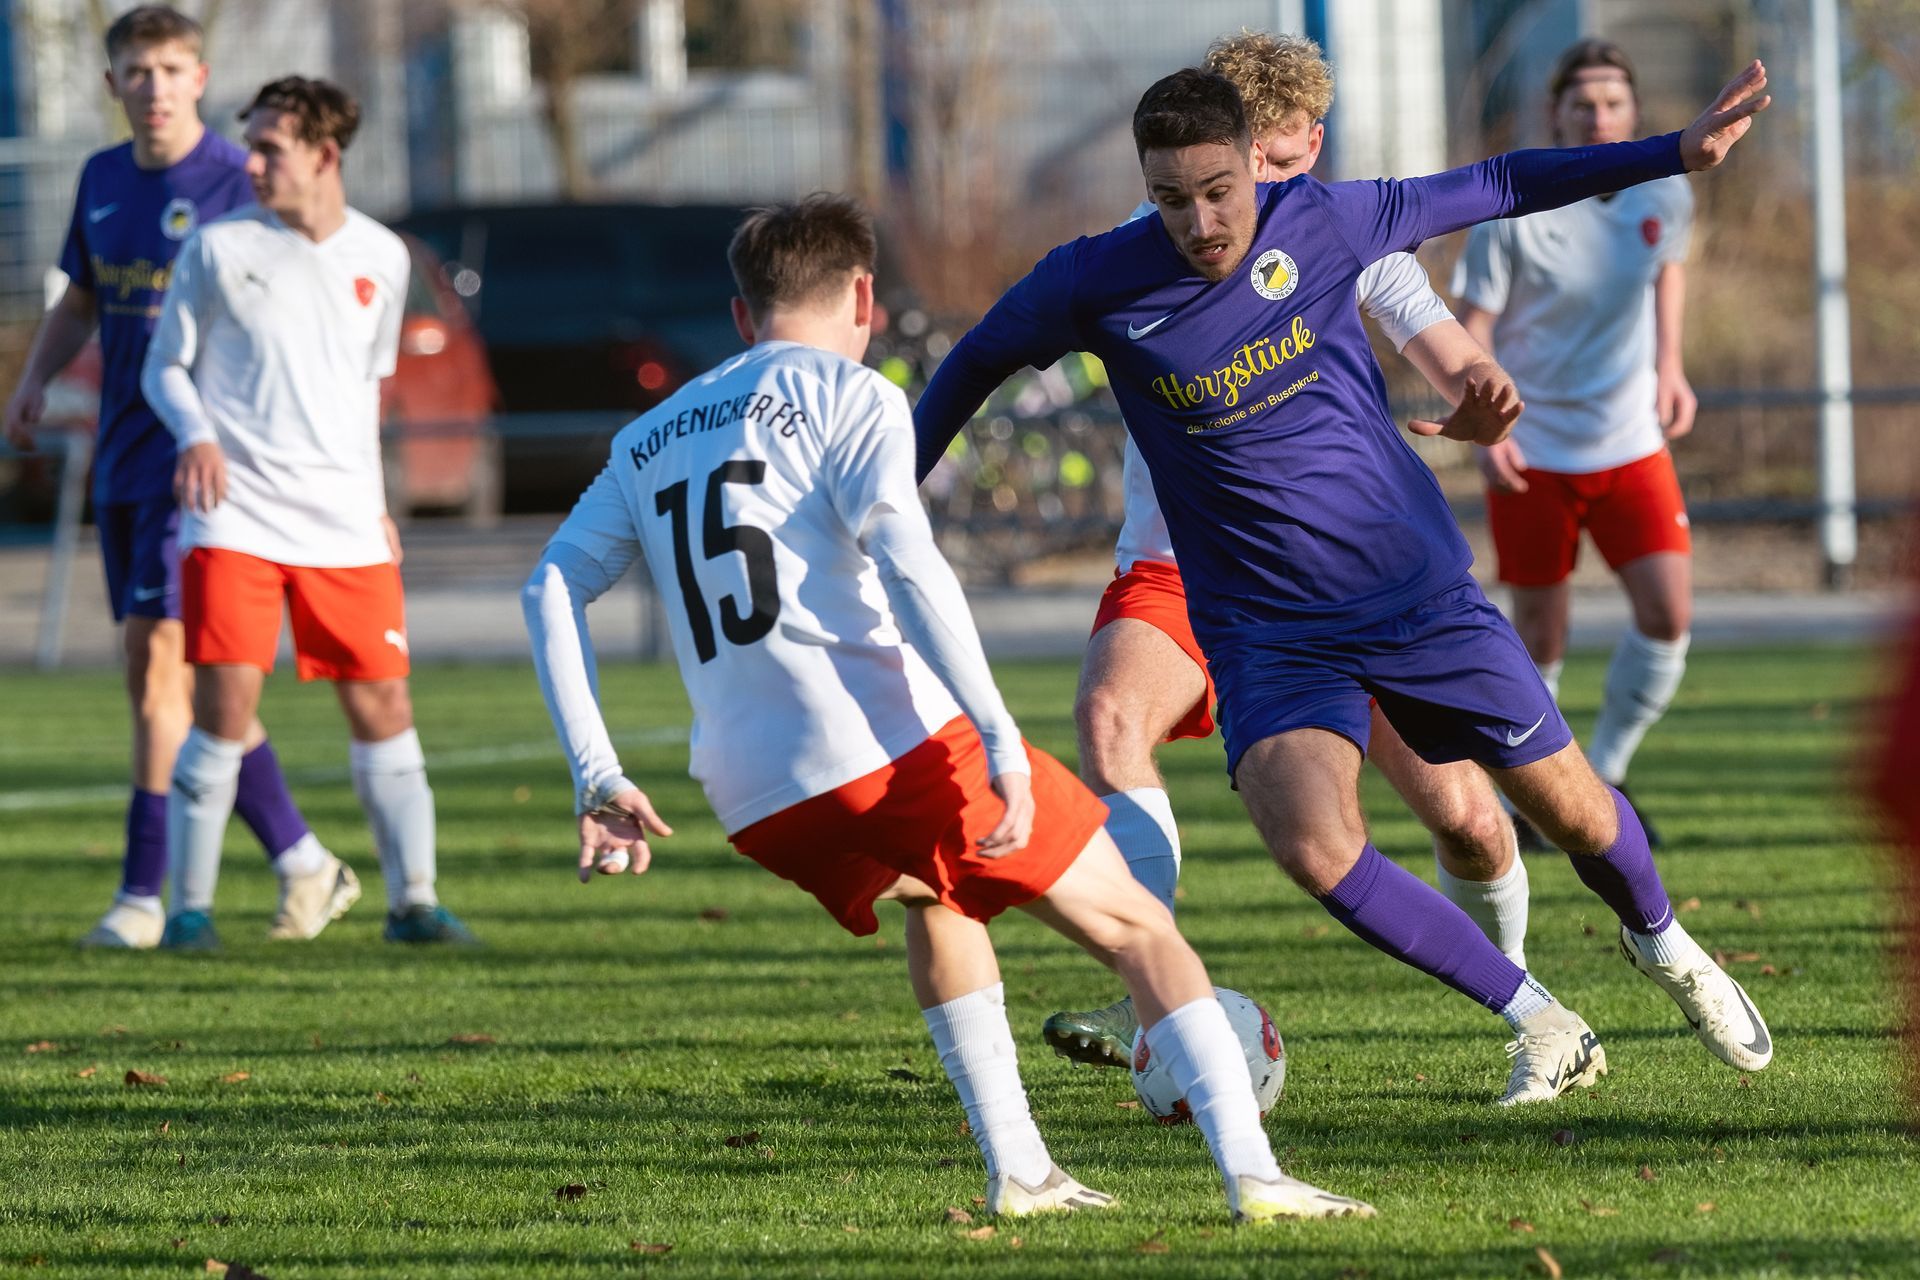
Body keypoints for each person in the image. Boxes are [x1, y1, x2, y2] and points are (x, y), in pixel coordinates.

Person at [915, 65, 1777, 1105]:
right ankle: (1537, 1013)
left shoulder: (1326, 221)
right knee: (1314, 844)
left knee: (1574, 816)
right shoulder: (1095, 279)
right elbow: (973, 363)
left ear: (1255, 165)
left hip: (1413, 596)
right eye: (1171, 199)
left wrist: (1672, 152)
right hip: (1265, 631)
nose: (1200, 222)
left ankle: (1664, 941)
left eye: (1218, 192)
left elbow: (1501, 181)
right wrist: (885, 492)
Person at [521, 194, 1372, 1222]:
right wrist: (999, 735)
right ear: (864, 299)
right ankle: (1257, 1177)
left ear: (743, 315)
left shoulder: (649, 434)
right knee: (1143, 927)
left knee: (940, 896)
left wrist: (598, 772)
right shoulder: (852, 394)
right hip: (889, 751)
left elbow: (551, 585)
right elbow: (909, 561)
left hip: (753, 794)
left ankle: (1022, 1171)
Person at [1040, 30, 1534, 1070]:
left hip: (1339, 573)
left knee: (1467, 820)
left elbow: (1448, 349)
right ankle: (1152, 989)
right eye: (1236, 162)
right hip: (1182, 565)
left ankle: (1523, 1002)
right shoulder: (1147, 245)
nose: (1243, 193)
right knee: (1110, 711)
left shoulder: (1346, 232)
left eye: (1276, 158)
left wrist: (1482, 395)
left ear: (1311, 146)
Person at [1, 6, 336, 949]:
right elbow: (82, 298)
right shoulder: (102, 178)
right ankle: (304, 860)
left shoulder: (240, 180)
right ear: (112, 85)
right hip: (121, 457)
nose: (155, 88)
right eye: (138, 72)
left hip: (202, 467)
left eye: (172, 70)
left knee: (162, 673)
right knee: (167, 681)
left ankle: (142, 896)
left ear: (201, 79)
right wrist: (33, 379)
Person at [140, 76, 472, 948]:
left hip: (344, 521)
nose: (250, 163)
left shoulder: (383, 256)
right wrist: (197, 436)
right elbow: (162, 366)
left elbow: (366, 390)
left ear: (325, 156)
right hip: (235, 516)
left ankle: (415, 904)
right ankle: (189, 915)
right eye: (251, 145)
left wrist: (377, 504)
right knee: (225, 706)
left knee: (385, 706)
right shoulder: (216, 249)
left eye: (269, 148)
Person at [1453, 40, 1698, 847]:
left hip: (1631, 444)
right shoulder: (1513, 206)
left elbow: (1667, 268)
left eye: (1614, 103)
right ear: (1555, 114)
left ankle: (1609, 776)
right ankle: (1537, 799)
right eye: (1583, 104)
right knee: (1540, 637)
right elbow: (1471, 328)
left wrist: (1670, 365)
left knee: (1668, 615)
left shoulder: (1665, 191)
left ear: (1634, 112)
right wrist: (1485, 431)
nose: (1599, 117)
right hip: (1535, 452)